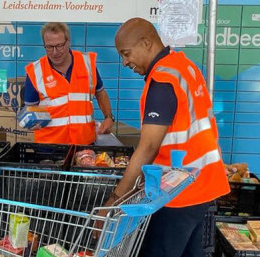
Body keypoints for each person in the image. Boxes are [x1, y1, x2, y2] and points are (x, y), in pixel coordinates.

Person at [100, 18, 230, 257]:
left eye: (126, 53)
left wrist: (114, 200)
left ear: (146, 43)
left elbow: (148, 147)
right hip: (201, 182)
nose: (125, 62)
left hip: (179, 191)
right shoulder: (183, 66)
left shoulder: (162, 79)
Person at [23, 22, 114, 145]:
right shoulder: (35, 71)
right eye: (49, 47)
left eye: (59, 45)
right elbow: (30, 109)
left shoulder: (86, 63)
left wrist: (108, 117)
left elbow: (100, 92)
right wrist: (30, 121)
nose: (55, 52)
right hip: (49, 147)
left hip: (84, 144)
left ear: (68, 42)